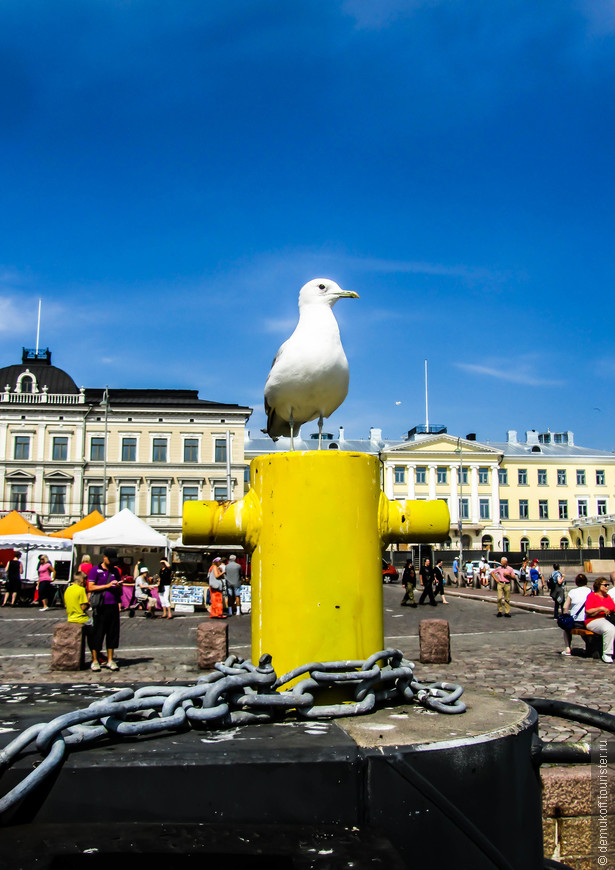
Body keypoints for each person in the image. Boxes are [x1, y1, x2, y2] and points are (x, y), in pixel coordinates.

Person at [87, 548, 123, 671]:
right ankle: (95, 660)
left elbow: (120, 591)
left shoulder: (116, 571)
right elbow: (90, 587)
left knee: (112, 633)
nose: (112, 562)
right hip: (100, 606)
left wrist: (118, 587)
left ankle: (110, 659)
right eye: (110, 559)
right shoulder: (95, 570)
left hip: (112, 605)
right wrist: (107, 586)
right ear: (104, 557)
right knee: (98, 632)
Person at [584, 577, 615, 664]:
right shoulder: (592, 596)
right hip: (594, 620)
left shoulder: (608, 597)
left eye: (608, 585)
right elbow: (588, 611)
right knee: (609, 628)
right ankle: (607, 654)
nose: (607, 587)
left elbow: (613, 608)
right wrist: (600, 609)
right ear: (599, 586)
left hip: (608, 618)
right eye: (605, 585)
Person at [560, 574, 591, 656]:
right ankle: (590, 648)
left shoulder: (572, 592)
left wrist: (566, 616)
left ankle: (567, 648)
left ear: (576, 582)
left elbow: (565, 607)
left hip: (576, 622)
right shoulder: (590, 591)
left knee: (567, 628)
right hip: (586, 621)